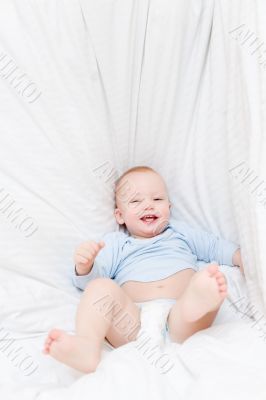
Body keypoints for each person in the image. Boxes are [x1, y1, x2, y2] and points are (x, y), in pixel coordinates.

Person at [43, 165, 244, 373]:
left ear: (169, 207)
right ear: (120, 216)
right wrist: (85, 265)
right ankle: (86, 346)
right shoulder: (117, 244)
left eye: (157, 199)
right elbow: (90, 281)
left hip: (181, 315)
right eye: (136, 201)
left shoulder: (180, 233)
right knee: (100, 288)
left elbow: (215, 247)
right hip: (133, 322)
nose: (148, 205)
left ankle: (202, 297)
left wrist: (244, 259)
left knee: (205, 281)